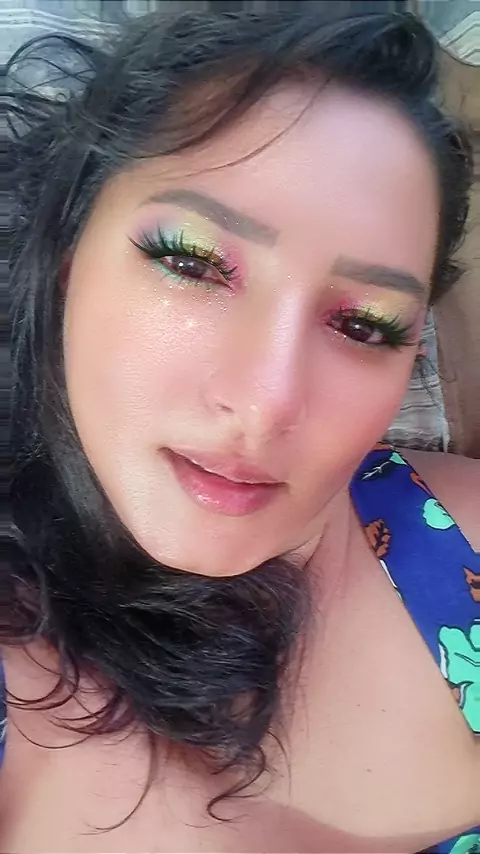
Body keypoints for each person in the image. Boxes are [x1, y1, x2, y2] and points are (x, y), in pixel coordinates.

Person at [3, 6, 480, 852]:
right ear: (69, 257)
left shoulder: (463, 550)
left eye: (365, 324)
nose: (266, 403)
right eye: (191, 261)